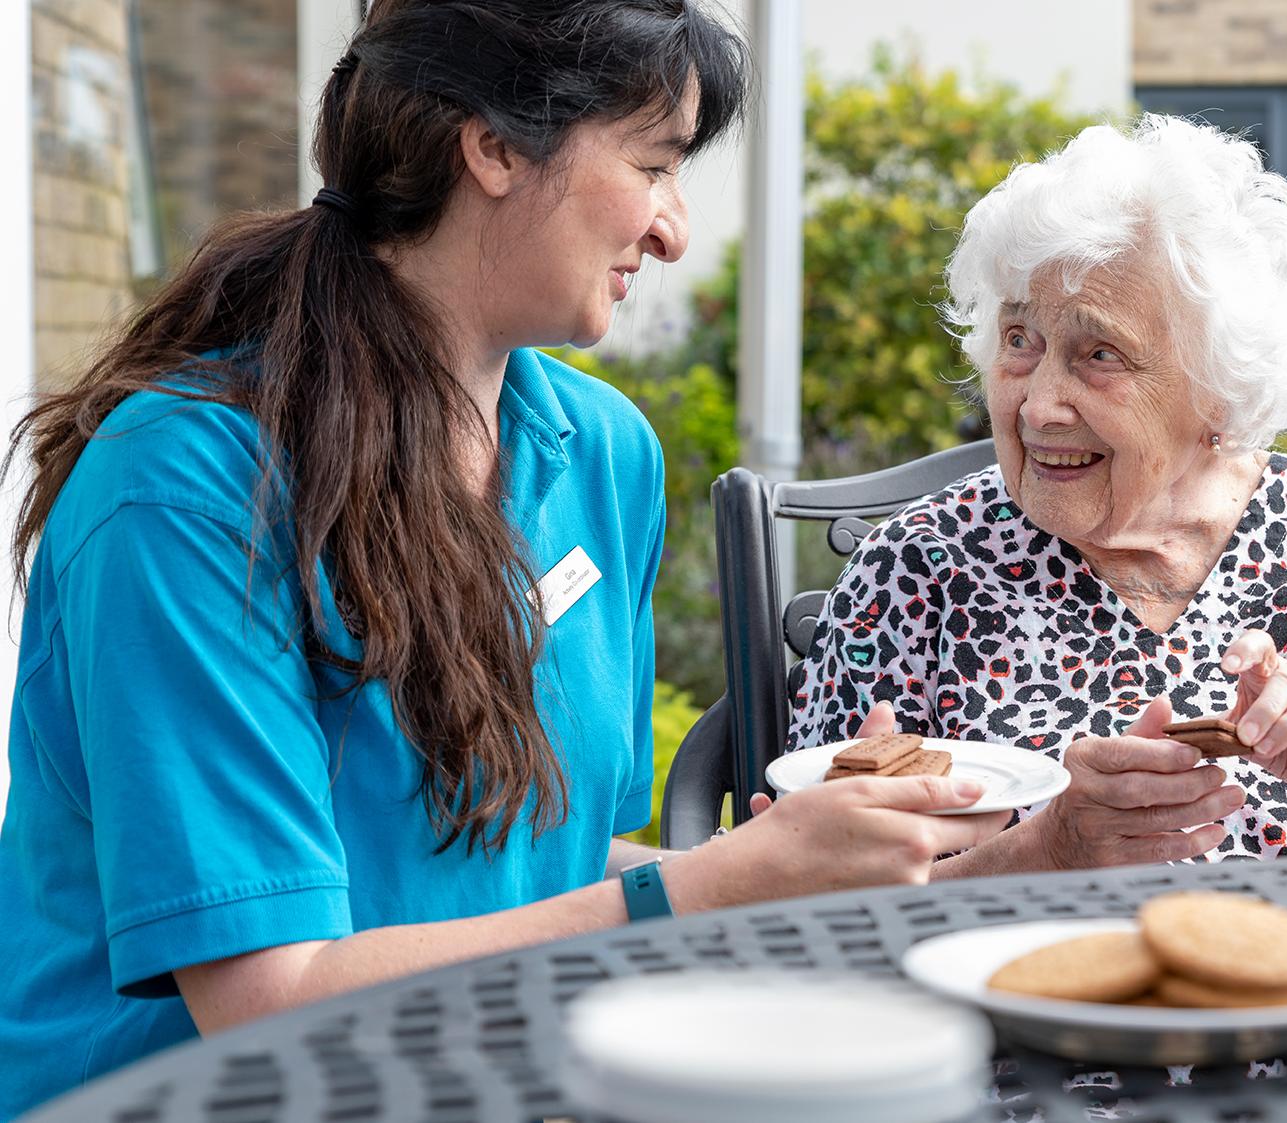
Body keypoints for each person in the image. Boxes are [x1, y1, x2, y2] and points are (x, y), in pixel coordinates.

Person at [0, 2, 1006, 1115]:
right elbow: (269, 997)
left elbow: (565, 873)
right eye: (653, 165)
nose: (672, 231)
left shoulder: (603, 452)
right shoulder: (185, 490)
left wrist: (785, 871)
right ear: (492, 147)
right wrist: (705, 892)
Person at [791, 116, 1287, 872]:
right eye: (1019, 341)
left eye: (1099, 354)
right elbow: (792, 891)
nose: (1038, 405)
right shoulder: (916, 568)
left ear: (1219, 389)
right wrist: (1043, 850)